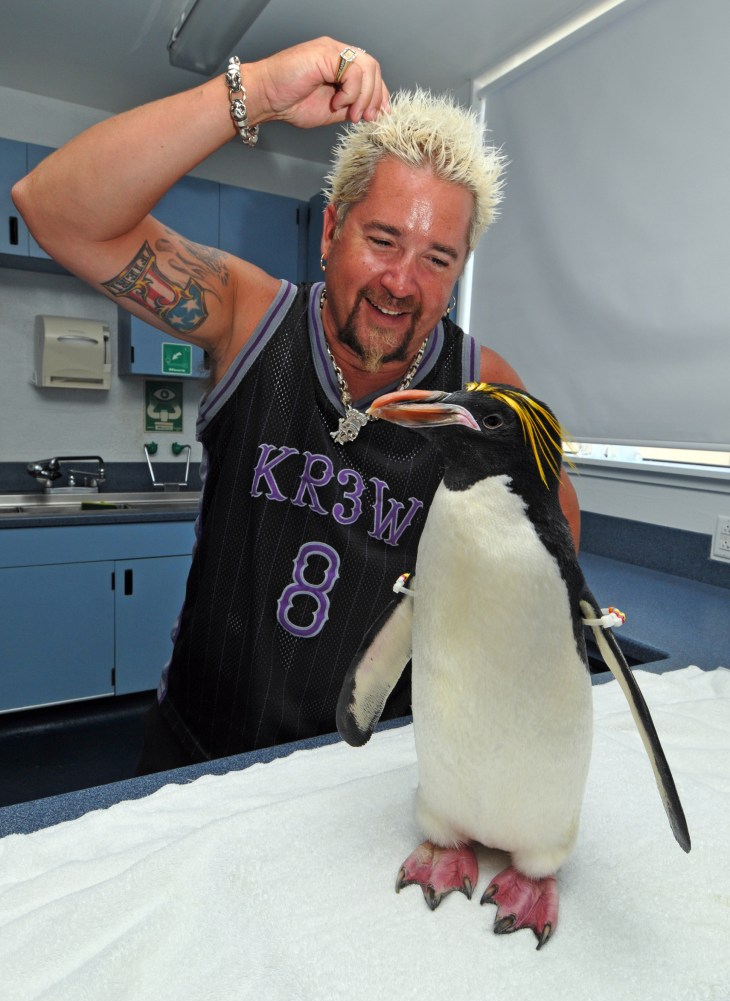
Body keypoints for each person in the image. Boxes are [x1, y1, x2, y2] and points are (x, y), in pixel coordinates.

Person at [12, 37, 580, 771]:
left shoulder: (480, 389)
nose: (402, 283)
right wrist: (257, 90)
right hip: (196, 757)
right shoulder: (250, 316)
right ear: (332, 231)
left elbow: (554, 540)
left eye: (437, 258)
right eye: (382, 238)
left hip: (361, 782)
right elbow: (52, 206)